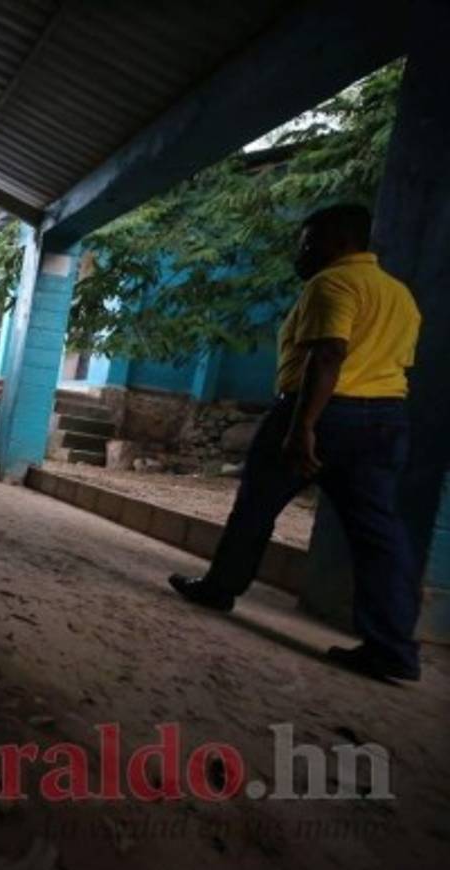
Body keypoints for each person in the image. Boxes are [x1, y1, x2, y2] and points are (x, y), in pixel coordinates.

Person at [169, 203, 423, 681]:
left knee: (256, 505)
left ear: (339, 242)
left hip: (323, 413)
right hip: (385, 419)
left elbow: (329, 354)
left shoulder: (332, 284)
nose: (300, 254)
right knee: (379, 536)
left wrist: (303, 425)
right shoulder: (399, 294)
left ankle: (220, 588)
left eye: (308, 243)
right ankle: (393, 648)